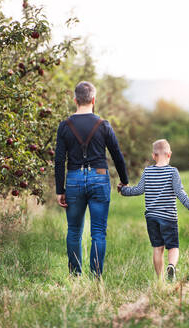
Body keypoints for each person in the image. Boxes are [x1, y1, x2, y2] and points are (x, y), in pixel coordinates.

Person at [55, 81, 129, 277]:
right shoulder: (103, 125)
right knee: (98, 232)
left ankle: (75, 276)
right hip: (99, 178)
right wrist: (124, 180)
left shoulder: (65, 126)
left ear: (75, 100)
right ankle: (96, 277)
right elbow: (117, 155)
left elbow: (59, 159)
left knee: (74, 231)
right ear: (94, 100)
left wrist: (59, 190)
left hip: (73, 180)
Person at [119, 139, 189, 281]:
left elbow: (138, 190)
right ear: (169, 154)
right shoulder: (173, 172)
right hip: (169, 217)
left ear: (153, 155)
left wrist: (123, 190)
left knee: (157, 248)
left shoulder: (147, 171)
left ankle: (160, 280)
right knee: (173, 247)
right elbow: (180, 193)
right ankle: (171, 266)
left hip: (152, 217)